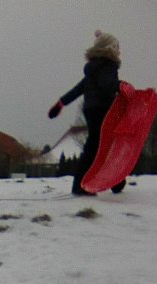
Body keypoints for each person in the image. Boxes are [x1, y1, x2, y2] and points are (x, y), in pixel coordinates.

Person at [48, 30, 125, 196]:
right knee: (101, 145)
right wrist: (121, 86)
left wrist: (61, 103)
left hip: (90, 109)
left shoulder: (93, 68)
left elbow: (79, 88)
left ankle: (115, 181)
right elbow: (106, 84)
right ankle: (82, 185)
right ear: (110, 48)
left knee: (99, 144)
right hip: (103, 109)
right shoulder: (108, 65)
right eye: (117, 47)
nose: (119, 51)